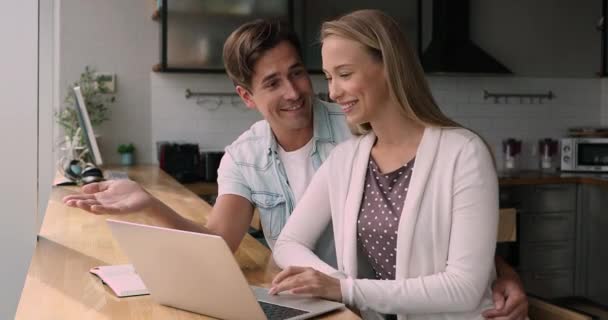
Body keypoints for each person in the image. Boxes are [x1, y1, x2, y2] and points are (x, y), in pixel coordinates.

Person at [62, 18, 526, 319]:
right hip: (343, 307)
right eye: (272, 82)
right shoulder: (275, 156)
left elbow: (450, 254)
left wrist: (498, 271)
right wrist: (149, 205)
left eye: (302, 73)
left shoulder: (375, 135)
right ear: (248, 97)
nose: (300, 91)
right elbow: (236, 241)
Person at [269, 9, 525, 320]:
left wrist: (346, 290)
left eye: (345, 74)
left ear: (389, 67)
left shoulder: (464, 153)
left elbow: (465, 287)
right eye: (329, 77)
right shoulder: (345, 160)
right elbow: (288, 243)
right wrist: (333, 282)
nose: (334, 92)